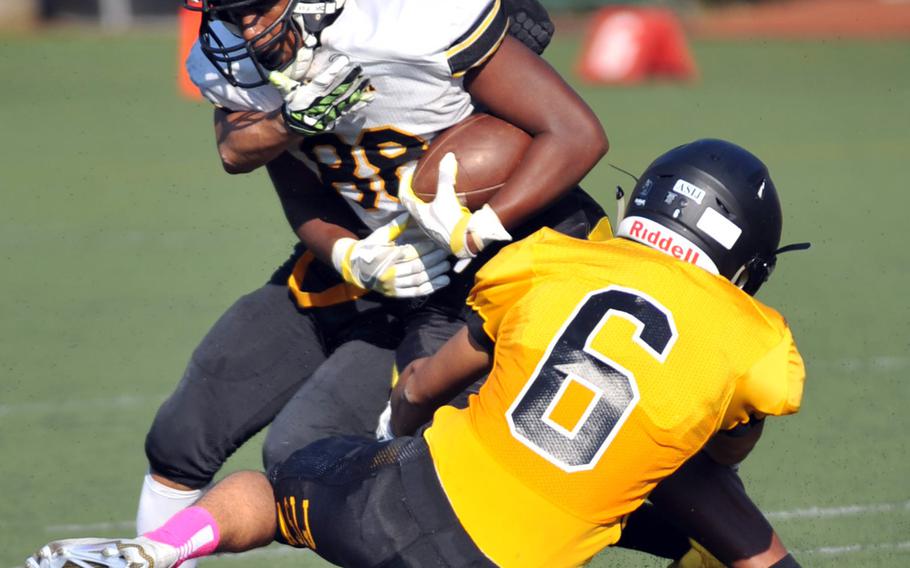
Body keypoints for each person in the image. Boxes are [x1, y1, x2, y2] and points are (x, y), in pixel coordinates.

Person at [29, 139, 809, 568]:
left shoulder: (558, 261)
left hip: (401, 495)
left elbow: (429, 379)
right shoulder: (757, 338)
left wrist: (395, 430)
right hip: (513, 554)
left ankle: (159, 552)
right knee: (718, 536)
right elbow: (730, 447)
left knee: (273, 493)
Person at [138, 0, 608, 560]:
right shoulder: (238, 56)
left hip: (481, 269)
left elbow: (576, 133)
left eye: (256, 7)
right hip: (369, 248)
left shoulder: (414, 19)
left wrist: (482, 226)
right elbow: (247, 154)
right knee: (189, 424)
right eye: (228, 11)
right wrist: (347, 253)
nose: (244, 28)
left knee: (315, 454)